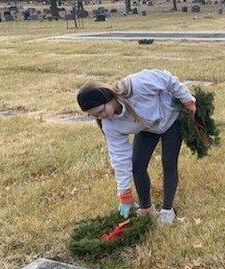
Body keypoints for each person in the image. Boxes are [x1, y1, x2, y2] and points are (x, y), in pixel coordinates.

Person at [76, 69, 196, 225]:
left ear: (108, 97)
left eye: (101, 111)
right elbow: (119, 157)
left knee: (168, 162)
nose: (102, 116)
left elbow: (167, 79)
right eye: (96, 115)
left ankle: (167, 210)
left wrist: (188, 101)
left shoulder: (135, 85)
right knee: (137, 165)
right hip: (147, 128)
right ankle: (146, 209)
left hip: (172, 119)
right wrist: (124, 195)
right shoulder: (110, 124)